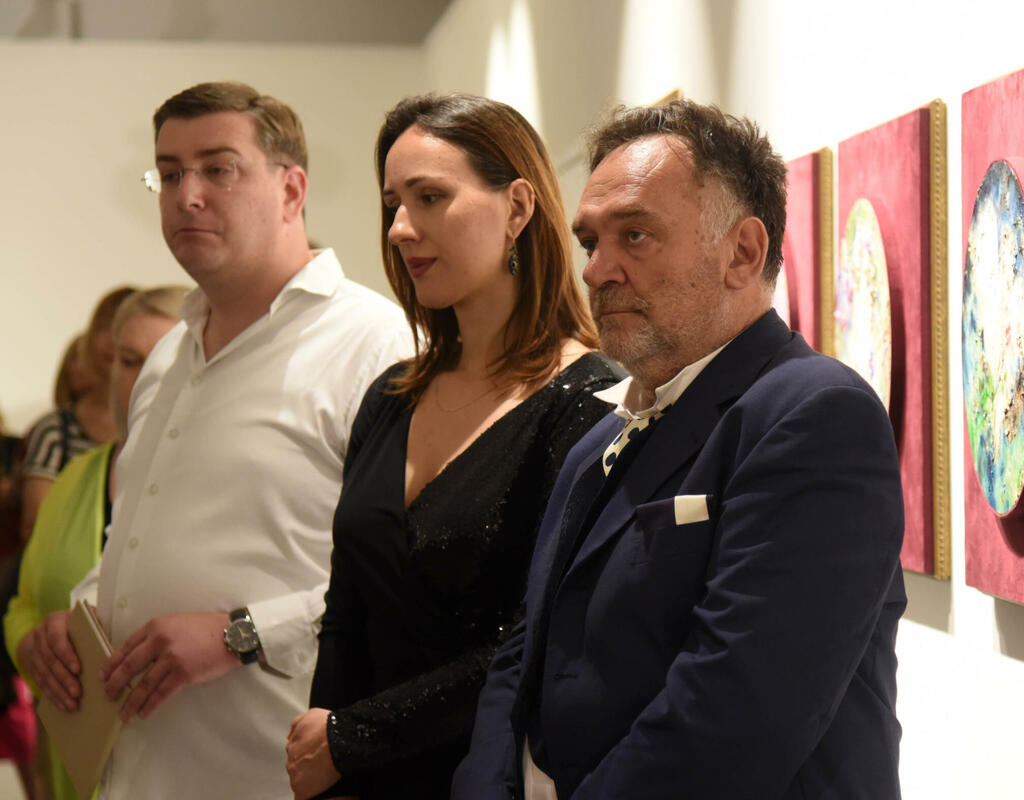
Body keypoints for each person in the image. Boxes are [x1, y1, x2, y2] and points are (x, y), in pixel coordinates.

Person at [452, 100, 907, 800]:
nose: (596, 271)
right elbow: (525, 648)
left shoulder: (816, 415)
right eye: (591, 242)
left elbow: (733, 718)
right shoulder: (597, 441)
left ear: (742, 252)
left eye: (634, 235)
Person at [20, 81, 412, 799]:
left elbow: (407, 574)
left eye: (218, 169)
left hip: (271, 770)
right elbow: (132, 539)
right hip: (137, 769)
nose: (187, 196)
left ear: (292, 190)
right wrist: (81, 614)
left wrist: (243, 634)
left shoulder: (374, 343)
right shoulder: (168, 356)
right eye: (169, 174)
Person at [284, 93, 621, 799]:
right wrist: (326, 751)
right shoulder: (390, 397)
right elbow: (347, 610)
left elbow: (539, 639)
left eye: (430, 197)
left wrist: (352, 737)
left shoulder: (589, 401)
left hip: (487, 777)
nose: (401, 228)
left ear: (518, 208)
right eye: (392, 205)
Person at [5, 286, 187, 800]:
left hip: (176, 763)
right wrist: (32, 648)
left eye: (163, 359)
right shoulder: (76, 476)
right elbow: (23, 601)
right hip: (75, 760)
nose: (142, 379)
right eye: (127, 361)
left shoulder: (217, 485)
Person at [19, 287, 134, 540]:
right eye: (105, 326)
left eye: (125, 327)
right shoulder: (54, 431)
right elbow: (36, 524)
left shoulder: (157, 429)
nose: (113, 339)